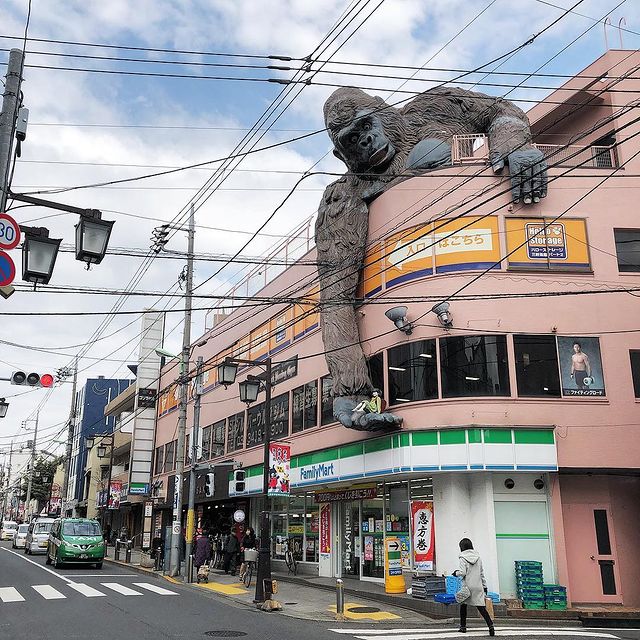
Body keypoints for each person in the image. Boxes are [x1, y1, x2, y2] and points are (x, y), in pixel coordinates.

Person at [453, 538, 494, 636]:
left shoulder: (462, 558)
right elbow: (481, 573)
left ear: (462, 547)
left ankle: (463, 627)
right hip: (478, 586)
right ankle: (491, 626)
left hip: (467, 586)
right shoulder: (478, 557)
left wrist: (456, 573)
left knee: (463, 606)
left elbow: (462, 573)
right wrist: (485, 586)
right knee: (481, 608)